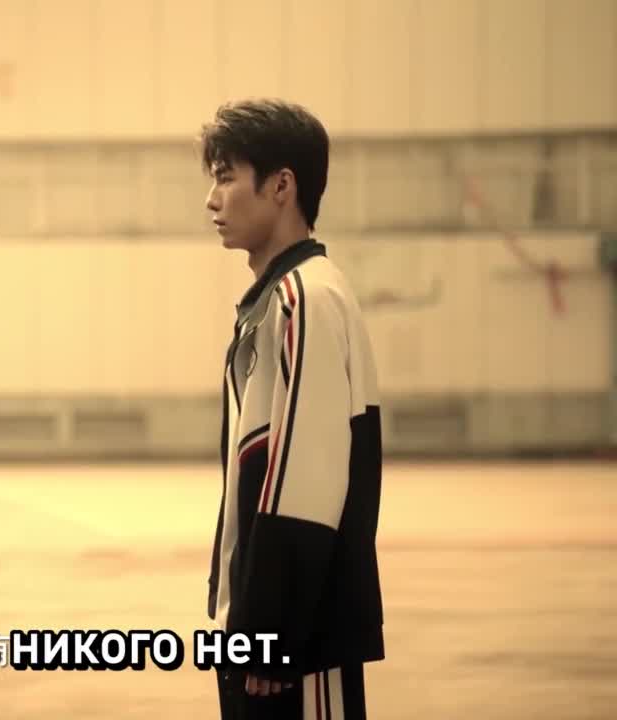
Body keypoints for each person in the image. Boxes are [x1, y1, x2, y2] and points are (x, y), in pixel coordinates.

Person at [201, 99, 384, 720]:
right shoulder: (276, 299)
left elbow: (306, 478)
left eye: (226, 177)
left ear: (282, 186)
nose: (212, 199)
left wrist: (270, 631)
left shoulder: (307, 298)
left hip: (295, 644)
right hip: (265, 627)